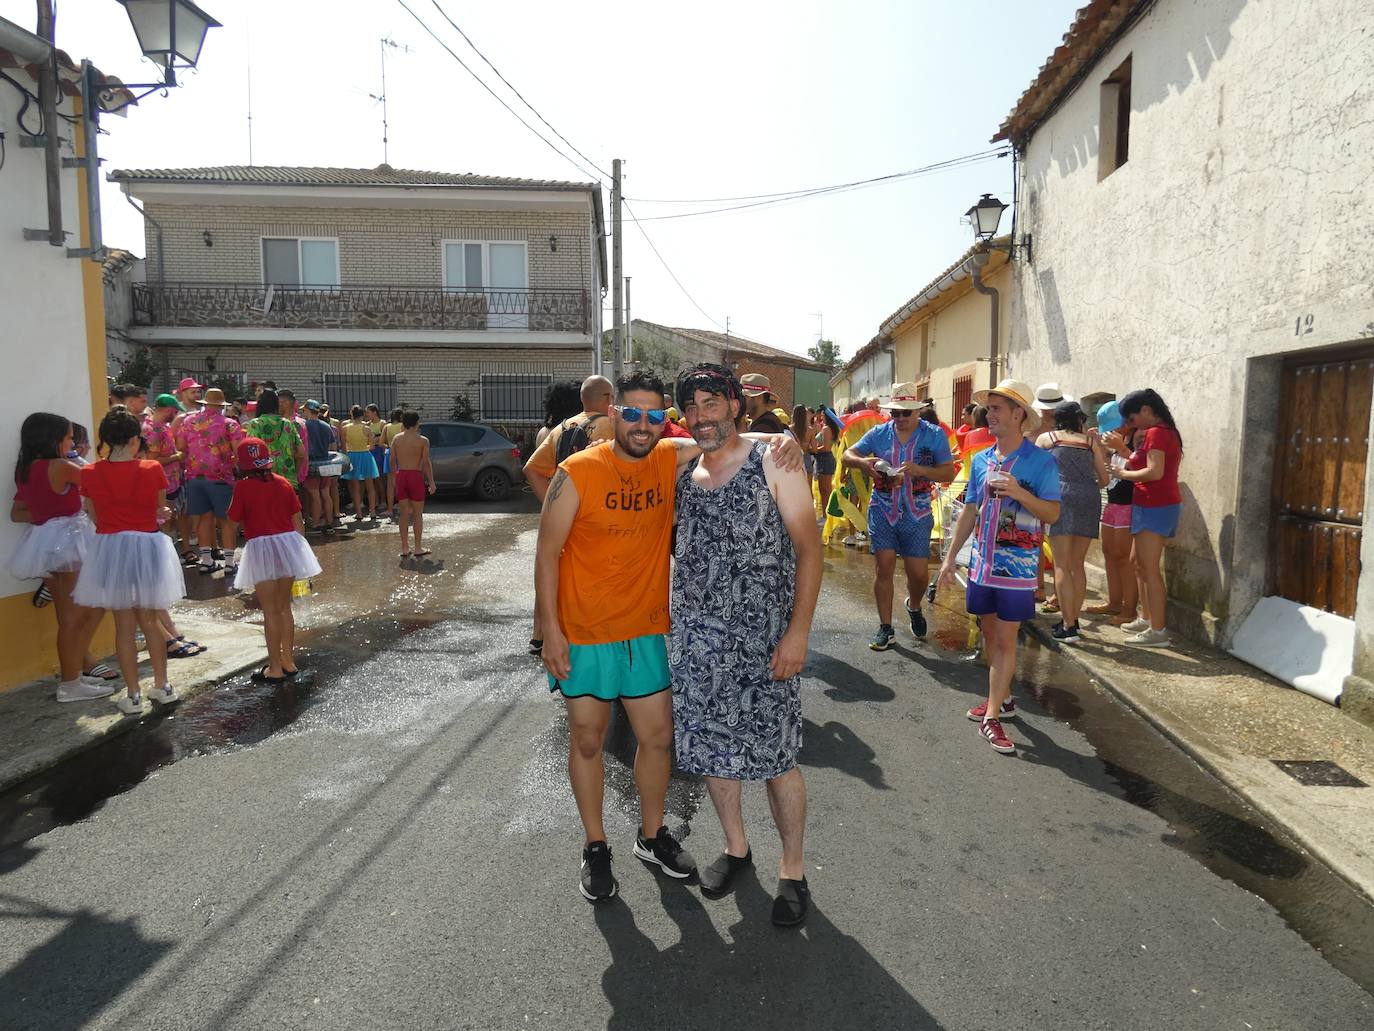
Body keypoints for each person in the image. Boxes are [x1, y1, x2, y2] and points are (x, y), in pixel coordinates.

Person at [534, 370, 700, 902]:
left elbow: (730, 439)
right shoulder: (577, 470)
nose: (643, 424)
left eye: (656, 415)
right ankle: (596, 844)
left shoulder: (670, 459)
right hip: (584, 633)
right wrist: (550, 633)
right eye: (633, 413)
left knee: (656, 739)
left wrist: (784, 443)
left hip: (646, 631)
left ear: (664, 421)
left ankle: (651, 837)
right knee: (587, 740)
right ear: (613, 414)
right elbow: (546, 552)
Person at [670, 364, 821, 927]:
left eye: (713, 403)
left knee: (777, 760)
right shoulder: (685, 471)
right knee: (714, 753)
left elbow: (809, 550)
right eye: (692, 407)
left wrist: (798, 631)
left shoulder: (774, 464)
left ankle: (793, 868)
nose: (702, 416)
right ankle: (736, 848)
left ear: (735, 404)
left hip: (765, 645)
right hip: (697, 647)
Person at [938, 380, 1061, 755]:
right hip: (983, 564)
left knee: (1006, 639)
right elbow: (971, 510)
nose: (988, 415)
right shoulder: (981, 460)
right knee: (990, 634)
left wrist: (1021, 493)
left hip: (1018, 568)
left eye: (996, 409)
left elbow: (1054, 512)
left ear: (1018, 414)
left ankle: (991, 717)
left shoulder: (1041, 462)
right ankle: (1002, 699)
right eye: (988, 409)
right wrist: (949, 557)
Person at [73, 408, 186, 715]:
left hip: (111, 547)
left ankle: (133, 695)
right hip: (147, 544)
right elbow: (159, 512)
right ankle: (162, 686)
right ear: (135, 439)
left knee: (123, 624)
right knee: (149, 619)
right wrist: (159, 516)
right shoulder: (151, 469)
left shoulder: (90, 472)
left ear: (105, 440)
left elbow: (93, 515)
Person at [842, 383, 955, 649]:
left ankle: (914, 605)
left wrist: (920, 470)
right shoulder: (879, 433)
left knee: (918, 574)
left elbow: (948, 473)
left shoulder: (934, 435)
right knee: (884, 568)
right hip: (882, 509)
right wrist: (864, 463)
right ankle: (885, 627)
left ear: (917, 411)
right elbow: (848, 455)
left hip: (917, 512)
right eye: (896, 413)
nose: (901, 418)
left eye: (906, 413)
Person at [6, 413, 109, 702]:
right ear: (52, 440)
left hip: (45, 541)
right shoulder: (61, 466)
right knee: (78, 616)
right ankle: (70, 682)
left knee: (70, 617)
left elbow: (26, 509)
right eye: (67, 438)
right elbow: (100, 484)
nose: (72, 442)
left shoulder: (25, 468)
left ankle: (74, 675)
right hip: (70, 541)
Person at [226, 437, 321, 683]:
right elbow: (298, 521)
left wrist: (228, 555)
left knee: (270, 611)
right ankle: (288, 661)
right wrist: (296, 552)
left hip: (260, 548)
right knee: (284, 607)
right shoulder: (283, 483)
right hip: (287, 545)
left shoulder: (243, 487)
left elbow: (231, 523)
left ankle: (275, 668)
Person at [1114, 389, 1184, 647]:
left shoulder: (1157, 433)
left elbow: (1154, 473)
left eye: (1131, 419)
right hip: (1150, 504)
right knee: (1138, 563)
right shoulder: (1161, 432)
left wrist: (1123, 474)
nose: (1130, 426)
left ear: (1145, 410)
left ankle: (1158, 631)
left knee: (1149, 568)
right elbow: (1145, 465)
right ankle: (1148, 619)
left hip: (1157, 504)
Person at [1036, 401, 1109, 643]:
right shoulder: (1090, 442)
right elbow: (1105, 479)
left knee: (1061, 564)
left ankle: (1068, 626)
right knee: (1078, 564)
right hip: (1089, 496)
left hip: (1061, 497)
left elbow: (1036, 471)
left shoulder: (1047, 439)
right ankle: (1073, 619)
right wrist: (1087, 487)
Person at [176, 388, 245, 573]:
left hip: (194, 477)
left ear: (205, 403)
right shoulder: (230, 424)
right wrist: (232, 463)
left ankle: (206, 561)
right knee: (226, 520)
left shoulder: (188, 421)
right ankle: (230, 563)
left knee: (204, 518)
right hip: (221, 477)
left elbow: (181, 447)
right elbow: (239, 451)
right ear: (221, 405)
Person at [1084, 401, 1139, 624]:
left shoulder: (1137, 440)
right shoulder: (1120, 440)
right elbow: (1112, 465)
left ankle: (1129, 608)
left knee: (1124, 558)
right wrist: (1100, 447)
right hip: (1113, 504)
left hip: (1129, 505)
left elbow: (1137, 466)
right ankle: (1114, 602)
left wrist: (1119, 448)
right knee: (1109, 553)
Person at [523, 375, 615, 501]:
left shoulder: (560, 429)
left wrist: (552, 506)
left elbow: (531, 470)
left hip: (568, 508)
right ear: (610, 398)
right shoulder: (614, 425)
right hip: (602, 510)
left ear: (582, 398)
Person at [387, 411, 436, 559]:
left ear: (403, 423)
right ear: (417, 423)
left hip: (402, 475)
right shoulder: (423, 440)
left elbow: (391, 460)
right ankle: (418, 548)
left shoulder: (396, 438)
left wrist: (394, 477)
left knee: (403, 514)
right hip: (415, 475)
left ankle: (404, 547)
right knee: (417, 514)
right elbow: (426, 463)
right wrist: (432, 482)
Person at [244, 389, 306, 493]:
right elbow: (301, 453)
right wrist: (294, 474)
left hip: (263, 480)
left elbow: (250, 453)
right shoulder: (288, 424)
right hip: (288, 480)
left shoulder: (255, 424)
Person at [302, 400, 340, 535]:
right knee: (325, 493)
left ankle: (316, 524)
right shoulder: (326, 426)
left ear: (307, 410)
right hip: (325, 464)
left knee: (315, 495)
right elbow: (333, 448)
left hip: (311, 465)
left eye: (304, 410)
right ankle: (329, 522)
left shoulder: (304, 426)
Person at [339, 405, 380, 524]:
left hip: (352, 456)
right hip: (365, 455)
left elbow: (343, 446)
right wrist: (364, 447)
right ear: (362, 415)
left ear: (351, 415)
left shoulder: (345, 428)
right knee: (370, 485)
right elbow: (372, 446)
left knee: (355, 487)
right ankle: (372, 512)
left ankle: (359, 513)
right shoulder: (367, 428)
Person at [810, 407, 840, 520]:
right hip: (822, 459)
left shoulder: (827, 429)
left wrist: (813, 450)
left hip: (825, 459)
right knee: (823, 490)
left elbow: (826, 447)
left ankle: (827, 516)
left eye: (823, 415)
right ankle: (825, 515)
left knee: (826, 490)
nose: (821, 417)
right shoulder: (827, 428)